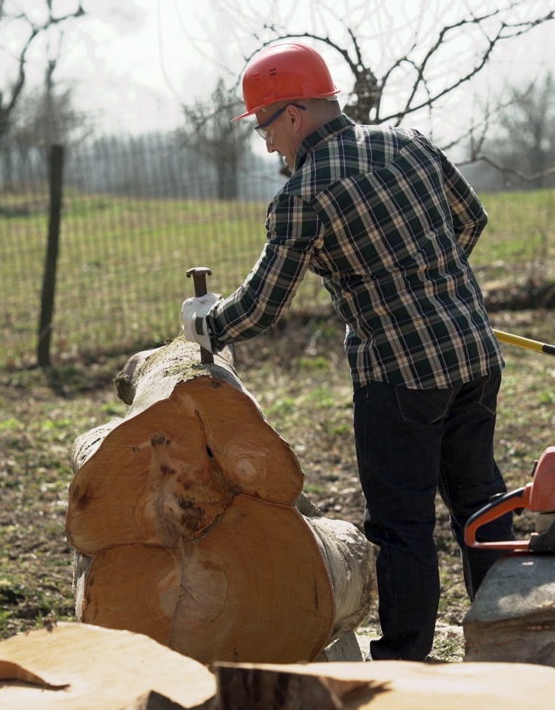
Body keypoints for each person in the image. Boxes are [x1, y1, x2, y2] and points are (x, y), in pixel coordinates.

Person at [180, 41, 515, 662]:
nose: (267, 143)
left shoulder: (303, 195)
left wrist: (208, 324)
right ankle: (509, 633)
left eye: (264, 126)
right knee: (481, 500)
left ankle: (406, 660)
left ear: (294, 114)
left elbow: (262, 305)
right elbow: (472, 219)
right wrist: (427, 282)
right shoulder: (409, 142)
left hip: (399, 374)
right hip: (474, 352)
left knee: (402, 523)